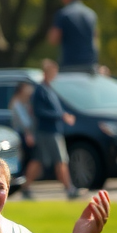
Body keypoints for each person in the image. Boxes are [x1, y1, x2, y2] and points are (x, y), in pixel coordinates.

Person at [23, 60, 78, 200]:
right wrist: (61, 116)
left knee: (39, 160)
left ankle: (25, 187)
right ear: (46, 73)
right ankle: (69, 189)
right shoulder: (40, 90)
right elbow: (39, 111)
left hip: (52, 130)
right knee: (60, 160)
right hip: (47, 131)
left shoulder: (48, 89)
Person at [48, 0, 99, 72]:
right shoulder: (91, 14)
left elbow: (53, 39)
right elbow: (95, 39)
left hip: (70, 64)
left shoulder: (64, 14)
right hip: (90, 65)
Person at [9, 80, 35, 168]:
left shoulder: (26, 102)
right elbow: (24, 121)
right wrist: (28, 133)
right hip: (21, 134)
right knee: (24, 156)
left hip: (26, 133)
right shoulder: (16, 103)